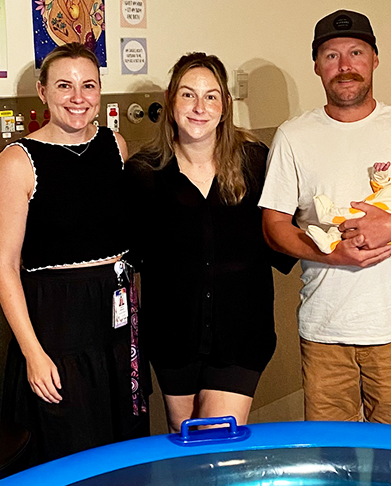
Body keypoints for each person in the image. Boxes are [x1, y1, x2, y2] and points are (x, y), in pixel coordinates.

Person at [259, 10, 391, 426]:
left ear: (374, 59)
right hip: (324, 327)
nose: (345, 65)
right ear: (317, 66)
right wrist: (333, 256)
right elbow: (274, 226)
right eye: (331, 56)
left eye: (356, 52)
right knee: (332, 458)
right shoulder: (293, 136)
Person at [0, 42, 149, 466]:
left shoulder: (116, 144)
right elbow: (4, 268)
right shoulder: (17, 161)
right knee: (70, 449)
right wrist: (33, 353)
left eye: (88, 85)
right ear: (42, 92)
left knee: (124, 448)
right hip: (56, 323)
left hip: (116, 320)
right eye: (64, 85)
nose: (78, 97)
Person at [125, 52, 295, 433]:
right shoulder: (144, 173)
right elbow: (131, 256)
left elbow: (282, 235)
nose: (199, 107)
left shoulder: (255, 163)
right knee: (185, 445)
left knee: (213, 441)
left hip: (240, 336)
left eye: (211, 96)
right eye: (188, 95)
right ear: (171, 101)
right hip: (172, 338)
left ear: (225, 106)